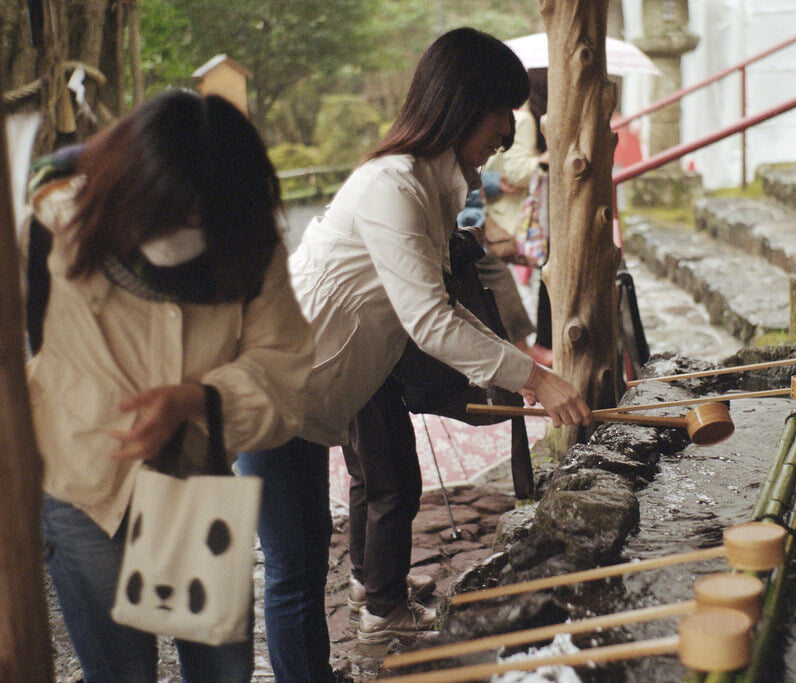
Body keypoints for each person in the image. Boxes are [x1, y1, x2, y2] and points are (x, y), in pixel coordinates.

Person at [238, 26, 591, 674]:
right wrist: (535, 380)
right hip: (273, 393)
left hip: (306, 396)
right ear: (462, 104)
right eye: (500, 118)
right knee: (292, 571)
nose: (504, 137)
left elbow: (442, 307)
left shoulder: (428, 188)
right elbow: (429, 321)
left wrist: (521, 365)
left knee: (308, 555)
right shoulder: (393, 185)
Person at [29, 89, 313, 682]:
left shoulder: (250, 247)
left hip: (191, 479)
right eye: (171, 212)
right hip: (83, 487)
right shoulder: (48, 223)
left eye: (201, 218)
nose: (186, 230)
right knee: (121, 673)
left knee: (223, 668)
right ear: (130, 187)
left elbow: (285, 370)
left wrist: (196, 400)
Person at [468, 68, 552, 366]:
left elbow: (481, 174)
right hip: (498, 219)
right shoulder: (528, 120)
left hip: (482, 214)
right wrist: (546, 160)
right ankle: (530, 354)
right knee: (502, 278)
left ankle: (529, 352)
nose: (504, 129)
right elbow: (513, 170)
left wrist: (489, 182)